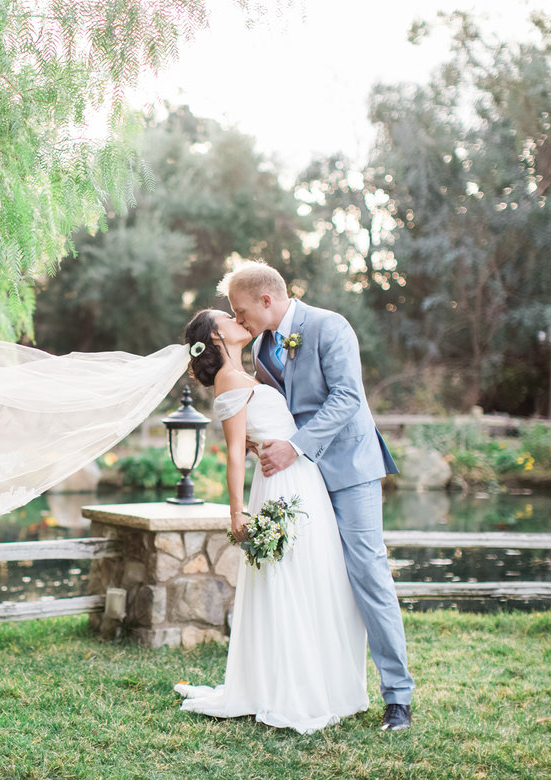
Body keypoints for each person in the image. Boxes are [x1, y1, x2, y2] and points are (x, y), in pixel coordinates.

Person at [220, 261, 413, 731]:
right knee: (315, 578)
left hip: (348, 469)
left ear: (266, 300)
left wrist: (296, 447)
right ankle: (321, 686)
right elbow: (277, 409)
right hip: (298, 484)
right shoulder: (263, 347)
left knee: (367, 571)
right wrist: (260, 437)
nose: (239, 320)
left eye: (241, 310)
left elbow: (347, 398)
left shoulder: (330, 326)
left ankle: (398, 697)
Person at [173, 308, 369, 734]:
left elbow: (251, 436)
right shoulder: (229, 378)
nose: (237, 317)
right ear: (216, 335)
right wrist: (236, 512)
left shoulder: (256, 367)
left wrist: (255, 442)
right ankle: (291, 690)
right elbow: (232, 456)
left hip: (302, 479)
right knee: (289, 582)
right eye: (227, 316)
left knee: (315, 576)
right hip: (278, 488)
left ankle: (324, 683)